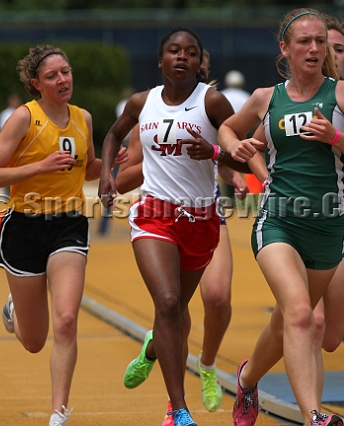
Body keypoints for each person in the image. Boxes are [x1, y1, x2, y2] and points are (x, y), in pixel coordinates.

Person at [218, 7, 344, 426]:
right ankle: (314, 416)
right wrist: (236, 149)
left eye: (318, 41)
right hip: (278, 220)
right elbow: (226, 129)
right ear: (285, 49)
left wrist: (336, 137)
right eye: (304, 42)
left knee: (286, 322)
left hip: (329, 225)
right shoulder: (264, 97)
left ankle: (248, 378)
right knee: (299, 315)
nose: (313, 48)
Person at [98, 27, 245, 426]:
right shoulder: (140, 102)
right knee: (166, 303)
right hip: (154, 216)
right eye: (174, 51)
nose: (182, 57)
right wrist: (108, 176)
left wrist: (215, 151)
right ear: (161, 59)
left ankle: (154, 351)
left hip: (201, 219)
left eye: (191, 52)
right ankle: (178, 410)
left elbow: (244, 156)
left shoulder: (213, 102)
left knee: (178, 311)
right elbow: (112, 136)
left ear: (200, 62)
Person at [0, 44, 126, 426]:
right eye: (52, 76)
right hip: (23, 227)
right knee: (33, 341)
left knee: (66, 320)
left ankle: (58, 411)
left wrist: (113, 163)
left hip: (68, 225)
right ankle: (15, 307)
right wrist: (39, 166)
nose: (63, 80)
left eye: (66, 71)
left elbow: (87, 167)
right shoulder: (23, 120)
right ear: (36, 84)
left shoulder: (83, 119)